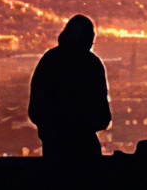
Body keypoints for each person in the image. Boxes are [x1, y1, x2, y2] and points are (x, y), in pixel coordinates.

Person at [26, 14, 110, 159]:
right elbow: (103, 115)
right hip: (85, 147)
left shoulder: (50, 61)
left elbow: (36, 109)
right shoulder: (92, 65)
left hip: (55, 147)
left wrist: (51, 128)